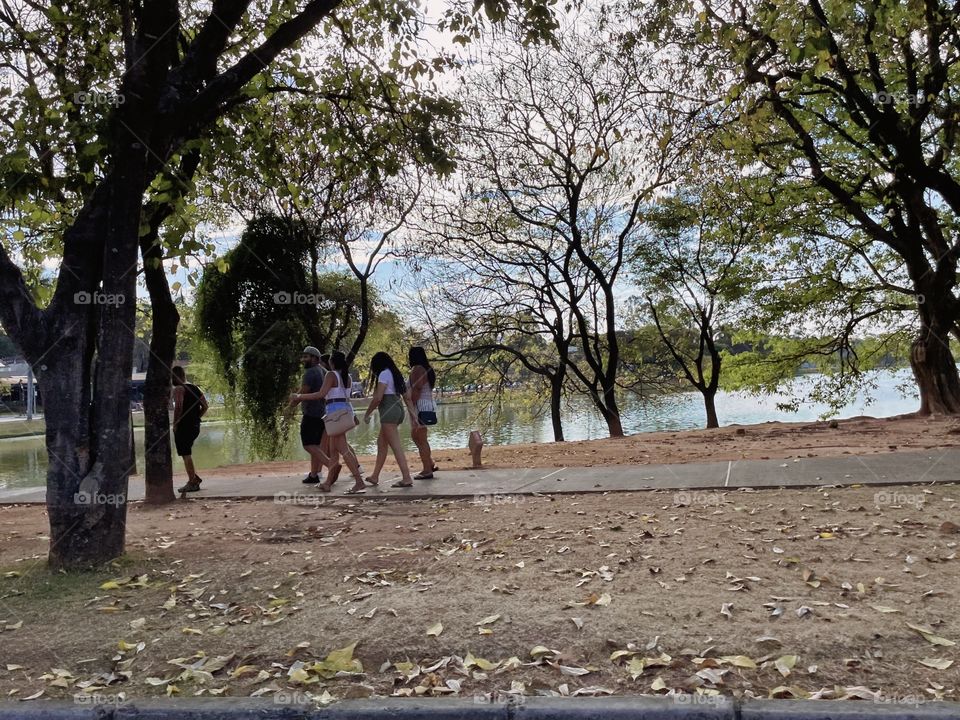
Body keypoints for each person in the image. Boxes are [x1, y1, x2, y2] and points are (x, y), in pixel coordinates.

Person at [290, 350, 365, 493]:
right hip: (344, 412)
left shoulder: (331, 375)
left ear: (331, 362)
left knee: (343, 449)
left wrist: (299, 396)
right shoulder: (347, 377)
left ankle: (359, 482)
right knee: (334, 451)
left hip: (334, 415)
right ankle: (328, 483)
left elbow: (321, 394)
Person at [362, 352, 419, 488]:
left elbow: (378, 398)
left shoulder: (383, 374)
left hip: (389, 412)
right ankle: (375, 476)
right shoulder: (395, 374)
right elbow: (407, 397)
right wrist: (413, 416)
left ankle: (406, 478)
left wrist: (367, 413)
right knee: (381, 443)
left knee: (396, 446)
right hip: (397, 410)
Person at [296, 346, 338, 485]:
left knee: (308, 445)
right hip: (323, 413)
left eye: (307, 357)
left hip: (311, 414)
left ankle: (331, 465)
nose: (303, 360)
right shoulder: (324, 371)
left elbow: (303, 392)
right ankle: (314, 475)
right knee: (316, 446)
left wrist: (289, 407)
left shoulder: (310, 373)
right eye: (303, 357)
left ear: (315, 358)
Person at [172, 365, 209, 493]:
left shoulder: (178, 389)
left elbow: (178, 407)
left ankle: (192, 482)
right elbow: (205, 406)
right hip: (195, 426)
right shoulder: (195, 388)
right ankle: (194, 478)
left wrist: (175, 424)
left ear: (175, 376)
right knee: (186, 452)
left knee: (185, 454)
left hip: (184, 426)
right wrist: (196, 418)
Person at [408, 346, 438, 479]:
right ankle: (429, 463)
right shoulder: (427, 369)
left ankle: (427, 469)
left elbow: (417, 390)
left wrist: (412, 408)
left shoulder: (418, 369)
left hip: (420, 406)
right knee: (417, 436)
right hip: (427, 404)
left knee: (420, 437)